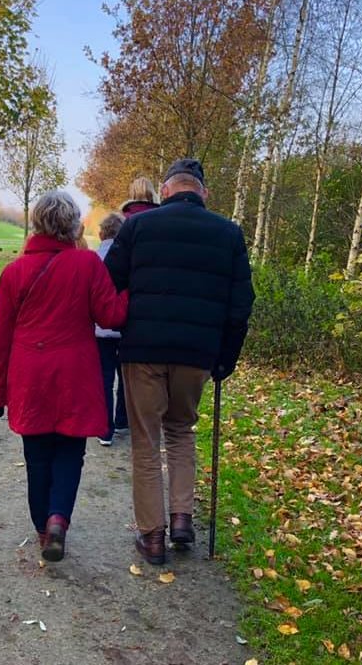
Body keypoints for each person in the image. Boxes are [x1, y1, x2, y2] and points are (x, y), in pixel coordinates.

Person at [105, 158, 254, 565]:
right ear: (202, 192)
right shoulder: (229, 234)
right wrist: (225, 358)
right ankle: (182, 519)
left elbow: (108, 283)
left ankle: (152, 536)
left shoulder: (137, 227)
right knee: (181, 432)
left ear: (166, 190)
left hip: (143, 352)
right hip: (196, 355)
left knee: (146, 441)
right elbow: (241, 305)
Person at [0, 191, 127, 562]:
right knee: (69, 452)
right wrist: (134, 293)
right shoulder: (87, 265)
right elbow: (110, 316)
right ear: (71, 225)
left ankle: (40, 524)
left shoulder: (13, 273)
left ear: (36, 223)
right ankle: (58, 520)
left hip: (29, 376)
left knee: (37, 455)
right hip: (75, 374)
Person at [94, 213, 129, 447]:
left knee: (104, 378)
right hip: (126, 327)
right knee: (125, 375)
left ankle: (105, 429)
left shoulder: (93, 258)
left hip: (100, 330)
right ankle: (122, 419)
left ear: (100, 234)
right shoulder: (130, 257)